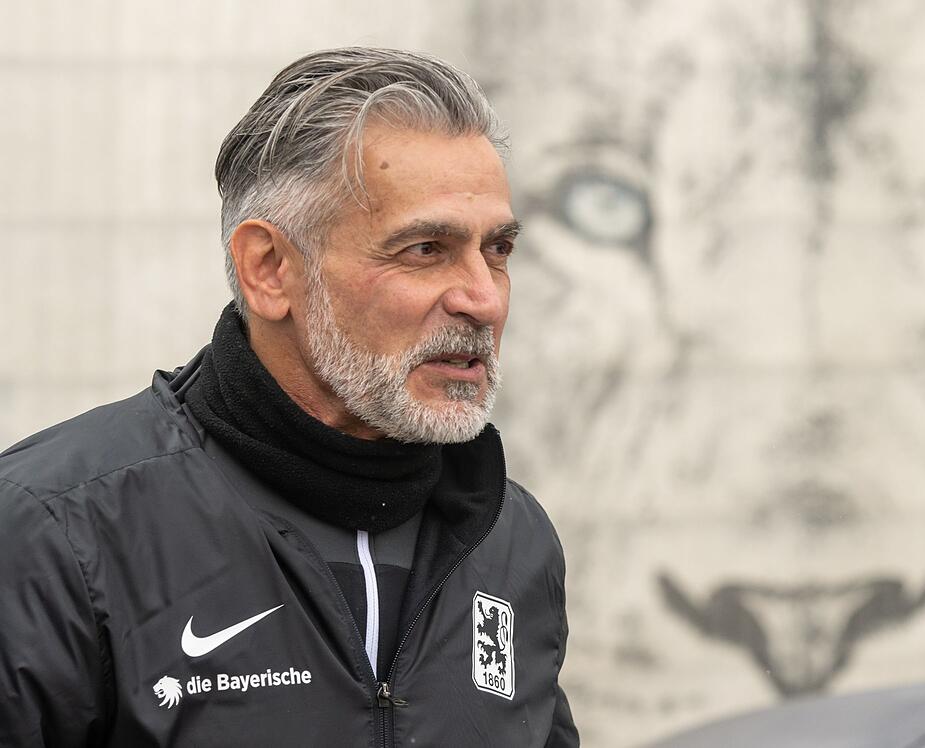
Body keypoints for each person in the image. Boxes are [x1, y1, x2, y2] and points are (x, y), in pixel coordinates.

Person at [0, 47, 578, 747]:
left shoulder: (512, 539)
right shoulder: (56, 532)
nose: (483, 300)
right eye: (426, 249)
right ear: (269, 269)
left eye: (498, 251)